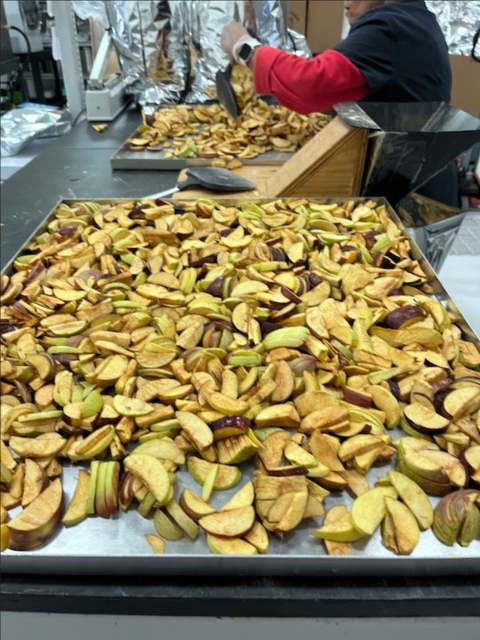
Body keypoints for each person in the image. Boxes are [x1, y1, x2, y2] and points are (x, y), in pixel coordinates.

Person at [221, 0, 458, 206]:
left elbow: (311, 83)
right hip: (414, 184)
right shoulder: (413, 19)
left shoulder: (390, 27)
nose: (346, 4)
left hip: (407, 197)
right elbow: (343, 91)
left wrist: (244, 48)